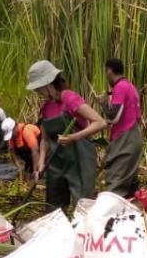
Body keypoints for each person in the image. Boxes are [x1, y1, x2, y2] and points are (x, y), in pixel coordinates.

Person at [27, 60, 107, 211]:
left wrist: (74, 137)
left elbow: (100, 122)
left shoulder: (69, 98)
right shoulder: (46, 106)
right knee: (54, 208)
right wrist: (41, 165)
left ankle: (83, 232)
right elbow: (44, 140)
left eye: (39, 88)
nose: (37, 92)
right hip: (57, 162)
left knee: (82, 206)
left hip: (79, 159)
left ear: (48, 84)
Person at [99, 58, 143, 197]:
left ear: (110, 71)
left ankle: (111, 214)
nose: (106, 76)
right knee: (129, 182)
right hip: (134, 136)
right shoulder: (131, 87)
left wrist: (103, 104)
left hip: (126, 139)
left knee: (116, 183)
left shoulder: (120, 87)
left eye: (106, 72)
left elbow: (114, 117)